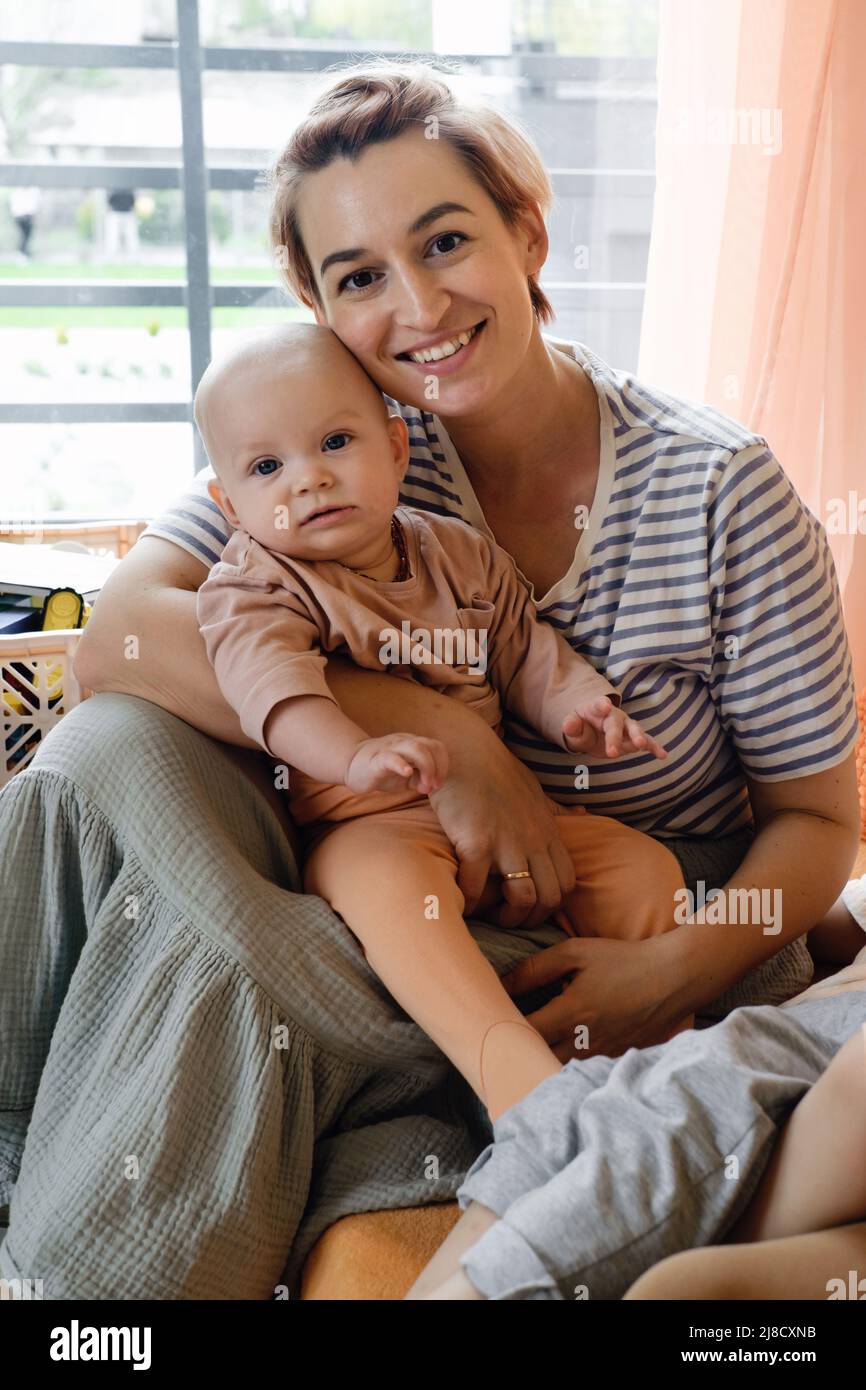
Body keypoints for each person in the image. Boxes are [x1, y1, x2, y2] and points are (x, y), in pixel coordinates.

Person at [43, 55, 861, 1294]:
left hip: (643, 923)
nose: (416, 306)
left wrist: (669, 971)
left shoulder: (713, 488)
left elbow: (818, 820)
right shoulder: (329, 453)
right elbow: (119, 641)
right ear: (319, 307)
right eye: (359, 276)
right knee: (114, 754)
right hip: (413, 921)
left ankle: (598, 1119)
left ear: (525, 231)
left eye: (445, 242)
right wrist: (447, 735)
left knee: (233, 948)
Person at [193, 321, 685, 1122]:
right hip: (372, 822)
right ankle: (515, 1083)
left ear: (396, 449)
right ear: (230, 504)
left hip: (514, 815)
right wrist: (355, 759)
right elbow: (276, 696)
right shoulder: (255, 585)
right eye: (267, 467)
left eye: (336, 442)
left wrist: (582, 710)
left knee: (645, 872)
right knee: (385, 894)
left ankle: (668, 1061)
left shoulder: (459, 553)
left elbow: (526, 651)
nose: (309, 480)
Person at [408, 880, 866, 1300]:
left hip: (823, 1040)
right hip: (808, 1054)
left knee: (705, 1081)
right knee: (579, 1100)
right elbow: (811, 918)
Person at [104, 188, 139, 259]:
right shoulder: (113, 185)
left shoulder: (129, 185)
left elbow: (133, 198)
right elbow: (109, 198)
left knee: (131, 235)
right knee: (113, 235)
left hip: (127, 213)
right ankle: (111, 256)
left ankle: (133, 257)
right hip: (115, 213)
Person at [10, 186, 40, 260]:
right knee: (24, 236)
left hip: (29, 216)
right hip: (20, 216)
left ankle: (25, 253)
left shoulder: (33, 191)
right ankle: (22, 253)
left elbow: (35, 204)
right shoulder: (18, 192)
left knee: (27, 236)